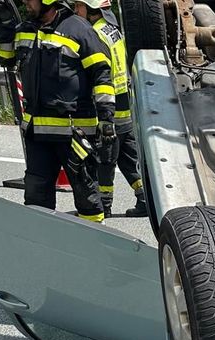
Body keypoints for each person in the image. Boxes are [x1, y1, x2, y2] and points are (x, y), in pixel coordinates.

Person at [0, 0, 115, 223]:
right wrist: (5, 24)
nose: (25, 3)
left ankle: (93, 245)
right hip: (37, 134)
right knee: (36, 198)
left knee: (86, 194)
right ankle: (42, 249)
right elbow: (5, 56)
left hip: (74, 134)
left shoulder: (78, 29)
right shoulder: (24, 30)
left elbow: (102, 74)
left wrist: (106, 117)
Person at [74, 0, 147, 217]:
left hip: (107, 107)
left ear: (91, 8)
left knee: (104, 159)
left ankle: (103, 204)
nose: (76, 11)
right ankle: (144, 199)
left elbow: (98, 72)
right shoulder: (113, 30)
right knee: (128, 157)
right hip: (125, 105)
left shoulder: (94, 34)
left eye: (79, 6)